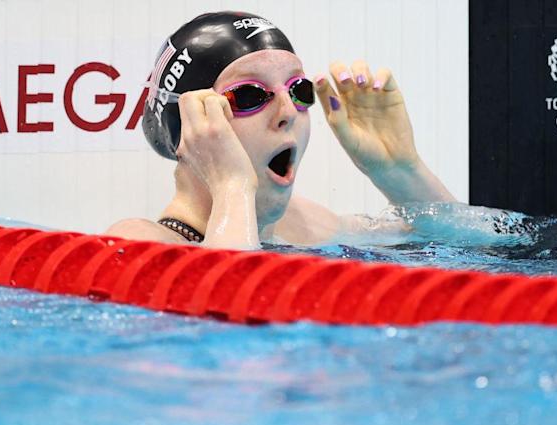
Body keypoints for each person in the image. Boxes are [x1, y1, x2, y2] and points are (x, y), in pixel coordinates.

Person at [106, 11, 455, 250]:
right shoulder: (134, 244)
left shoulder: (303, 226)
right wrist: (232, 187)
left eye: (298, 89)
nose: (288, 111)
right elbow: (228, 334)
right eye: (249, 95)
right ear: (189, 126)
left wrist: (399, 172)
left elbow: (461, 253)